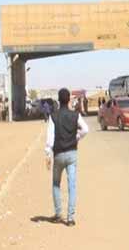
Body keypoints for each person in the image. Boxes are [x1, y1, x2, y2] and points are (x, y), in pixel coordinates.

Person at [45, 88, 89, 227]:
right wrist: (77, 137)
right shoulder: (75, 115)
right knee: (72, 185)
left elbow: (50, 138)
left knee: (56, 184)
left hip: (58, 155)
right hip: (71, 154)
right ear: (69, 99)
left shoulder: (53, 116)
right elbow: (85, 129)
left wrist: (48, 153)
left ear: (58, 100)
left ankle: (58, 214)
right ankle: (70, 218)